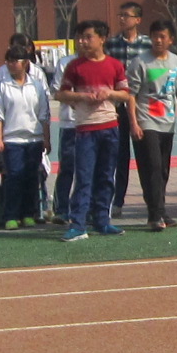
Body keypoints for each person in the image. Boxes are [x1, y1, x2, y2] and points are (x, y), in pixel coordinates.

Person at [54, 18, 131, 243]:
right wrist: (83, 97)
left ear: (102, 38)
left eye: (88, 37)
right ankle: (78, 224)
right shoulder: (75, 66)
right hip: (85, 130)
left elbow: (126, 94)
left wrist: (109, 94)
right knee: (84, 177)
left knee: (106, 176)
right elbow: (61, 94)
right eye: (80, 38)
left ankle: (102, 220)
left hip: (110, 127)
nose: (83, 42)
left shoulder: (115, 65)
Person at [130, 17, 177, 231]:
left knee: (162, 170)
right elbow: (131, 95)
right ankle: (155, 215)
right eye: (155, 36)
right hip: (146, 121)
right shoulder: (140, 62)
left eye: (162, 36)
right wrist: (134, 123)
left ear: (170, 39)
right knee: (152, 166)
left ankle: (159, 210)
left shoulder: (176, 62)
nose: (158, 40)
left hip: (167, 121)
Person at [0, 53, 52, 228]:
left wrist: (46, 139)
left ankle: (28, 213)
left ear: (24, 63)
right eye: (8, 60)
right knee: (14, 176)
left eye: (14, 61)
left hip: (34, 138)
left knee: (31, 177)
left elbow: (44, 114)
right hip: (12, 139)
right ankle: (11, 215)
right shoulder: (2, 87)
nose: (10, 64)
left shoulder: (36, 85)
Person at [104, 2, 150, 216]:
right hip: (119, 107)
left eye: (127, 15)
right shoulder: (112, 45)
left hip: (142, 107)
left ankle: (150, 200)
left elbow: (156, 72)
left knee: (146, 156)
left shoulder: (148, 45)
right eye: (120, 15)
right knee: (119, 156)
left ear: (138, 20)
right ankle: (118, 201)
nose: (122, 19)